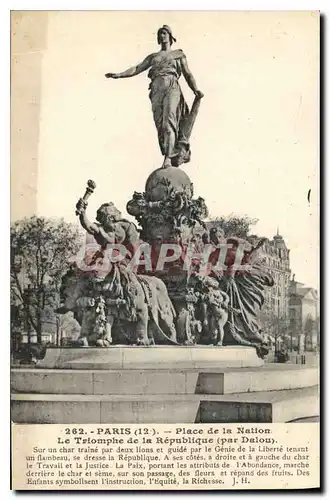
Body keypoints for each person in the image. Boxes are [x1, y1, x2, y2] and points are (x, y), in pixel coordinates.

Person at [105, 25, 204, 168]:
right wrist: (119, 75)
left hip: (172, 87)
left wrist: (195, 89)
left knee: (168, 121)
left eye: (164, 33)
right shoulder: (153, 57)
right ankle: (168, 152)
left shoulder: (178, 55)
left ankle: (168, 158)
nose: (162, 36)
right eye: (160, 34)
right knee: (160, 126)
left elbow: (187, 74)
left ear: (170, 36)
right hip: (157, 90)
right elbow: (137, 68)